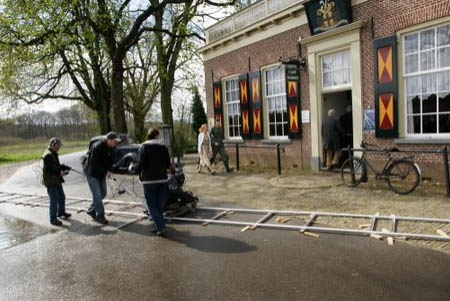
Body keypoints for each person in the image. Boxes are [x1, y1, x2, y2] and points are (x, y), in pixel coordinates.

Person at [133, 128, 172, 236]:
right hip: (162, 179)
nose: (160, 137)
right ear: (156, 136)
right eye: (159, 135)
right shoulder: (163, 147)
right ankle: (158, 225)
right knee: (159, 204)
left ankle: (160, 227)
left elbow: (141, 164)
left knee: (151, 204)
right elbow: (168, 163)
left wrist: (134, 170)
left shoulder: (144, 147)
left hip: (149, 180)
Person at [85, 132, 119, 224]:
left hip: (101, 174)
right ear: (109, 140)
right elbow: (93, 164)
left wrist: (110, 170)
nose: (116, 143)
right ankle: (100, 215)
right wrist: (105, 171)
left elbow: (110, 161)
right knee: (97, 195)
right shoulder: (97, 147)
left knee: (103, 193)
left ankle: (91, 209)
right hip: (92, 173)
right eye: (115, 141)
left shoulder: (112, 148)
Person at [42, 138, 72, 226]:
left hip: (56, 179)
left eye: (59, 146)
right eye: (58, 146)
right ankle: (53, 219)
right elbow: (51, 169)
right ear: (53, 145)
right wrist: (60, 172)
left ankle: (61, 212)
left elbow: (57, 165)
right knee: (54, 200)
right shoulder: (48, 155)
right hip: (51, 180)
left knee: (61, 196)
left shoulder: (53, 154)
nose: (59, 147)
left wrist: (65, 167)